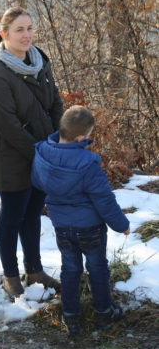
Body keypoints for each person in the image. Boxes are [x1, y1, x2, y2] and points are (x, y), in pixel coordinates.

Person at [0, 6, 64, 301]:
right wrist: (38, 151)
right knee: (13, 215)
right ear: (4, 34)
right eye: (19, 30)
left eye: (29, 28)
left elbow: (55, 103)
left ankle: (34, 270)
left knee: (33, 212)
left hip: (45, 148)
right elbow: (7, 122)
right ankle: (10, 275)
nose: (27, 35)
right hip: (11, 152)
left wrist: (56, 141)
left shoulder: (40, 61)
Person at [31, 105, 130, 333]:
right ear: (80, 137)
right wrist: (121, 225)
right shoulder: (88, 163)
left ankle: (71, 316)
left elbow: (37, 182)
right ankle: (105, 313)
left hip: (62, 226)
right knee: (97, 268)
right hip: (90, 228)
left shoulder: (42, 153)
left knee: (70, 269)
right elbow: (104, 200)